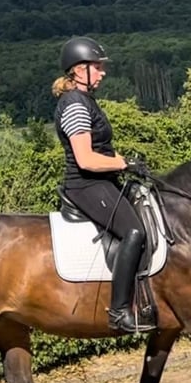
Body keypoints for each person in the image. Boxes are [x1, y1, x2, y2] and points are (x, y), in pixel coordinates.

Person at [52, 36, 155, 334]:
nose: (102, 72)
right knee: (134, 231)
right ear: (78, 70)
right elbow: (85, 159)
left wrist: (123, 162)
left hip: (101, 181)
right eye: (97, 66)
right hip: (85, 185)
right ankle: (120, 312)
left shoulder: (85, 101)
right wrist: (123, 164)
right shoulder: (73, 105)